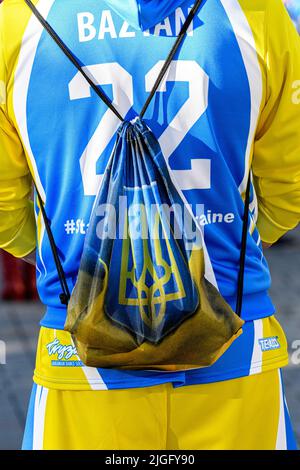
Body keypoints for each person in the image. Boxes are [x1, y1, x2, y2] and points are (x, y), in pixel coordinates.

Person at [0, 0, 300, 450]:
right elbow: (289, 191)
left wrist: (71, 256)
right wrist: (208, 251)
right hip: (236, 352)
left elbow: (5, 207)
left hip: (81, 360)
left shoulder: (17, 21)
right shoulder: (256, 13)